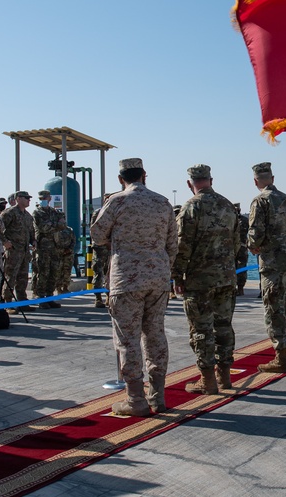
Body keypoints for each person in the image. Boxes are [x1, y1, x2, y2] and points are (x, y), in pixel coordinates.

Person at [91, 158, 177, 416]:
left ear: (121, 179)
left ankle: (135, 400)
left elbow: (96, 235)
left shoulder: (116, 201)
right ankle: (158, 397)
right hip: (158, 280)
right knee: (155, 335)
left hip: (126, 280)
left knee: (127, 340)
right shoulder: (163, 202)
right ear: (144, 175)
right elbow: (173, 244)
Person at [172, 164, 241, 395]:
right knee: (223, 326)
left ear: (190, 183)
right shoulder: (227, 205)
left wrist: (176, 275)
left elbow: (183, 246)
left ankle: (208, 380)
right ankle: (225, 376)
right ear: (210, 180)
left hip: (199, 280)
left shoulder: (191, 207)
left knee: (201, 329)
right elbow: (236, 243)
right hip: (226, 277)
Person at [247, 162, 286, 373]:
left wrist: (252, 246)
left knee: (274, 310)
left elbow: (255, 234)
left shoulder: (260, 201)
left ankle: (281, 357)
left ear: (255, 181)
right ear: (273, 178)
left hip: (273, 263)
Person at [31, 190, 66, 309]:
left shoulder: (54, 211)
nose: (44, 200)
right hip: (43, 247)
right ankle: (41, 298)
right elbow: (44, 228)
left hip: (55, 246)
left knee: (54, 272)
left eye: (46, 198)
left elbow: (63, 224)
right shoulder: (37, 212)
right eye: (42, 198)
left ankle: (50, 297)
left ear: (50, 198)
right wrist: (56, 224)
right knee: (43, 272)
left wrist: (55, 224)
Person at [0, 191, 35, 311]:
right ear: (18, 199)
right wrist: (5, 242)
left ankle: (22, 301)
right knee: (10, 277)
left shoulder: (28, 216)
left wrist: (33, 241)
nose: (28, 200)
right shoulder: (9, 213)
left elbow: (31, 232)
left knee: (23, 277)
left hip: (24, 251)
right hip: (13, 251)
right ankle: (7, 303)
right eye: (26, 198)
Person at [89, 193, 112, 308]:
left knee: (111, 273)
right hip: (100, 248)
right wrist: (106, 242)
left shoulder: (115, 212)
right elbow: (94, 231)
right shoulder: (98, 213)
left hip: (112, 249)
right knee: (98, 272)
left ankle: (109, 296)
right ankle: (98, 298)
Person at [234, 203, 250, 295]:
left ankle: (240, 288)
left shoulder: (243, 220)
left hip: (241, 247)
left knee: (241, 267)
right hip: (234, 247)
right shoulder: (244, 220)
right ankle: (238, 288)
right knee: (238, 267)